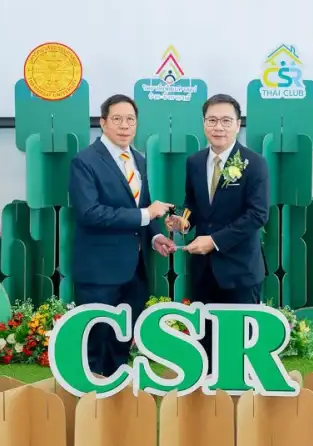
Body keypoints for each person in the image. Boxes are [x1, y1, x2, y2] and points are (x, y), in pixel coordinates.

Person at [68, 94, 177, 377]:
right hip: (99, 271)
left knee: (121, 342)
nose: (124, 125)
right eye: (117, 119)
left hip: (134, 271)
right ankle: (90, 398)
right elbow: (90, 213)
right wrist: (146, 214)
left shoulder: (138, 159)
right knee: (95, 343)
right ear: (103, 123)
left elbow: (143, 205)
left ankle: (117, 392)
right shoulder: (85, 161)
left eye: (130, 119)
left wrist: (154, 237)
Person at [164, 93, 270, 370]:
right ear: (203, 124)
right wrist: (183, 221)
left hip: (240, 269)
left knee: (240, 349)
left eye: (226, 120)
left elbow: (257, 215)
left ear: (238, 124)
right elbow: (192, 203)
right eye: (212, 120)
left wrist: (214, 241)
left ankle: (243, 395)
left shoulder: (254, 163)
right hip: (203, 270)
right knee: (206, 346)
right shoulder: (194, 162)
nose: (218, 127)